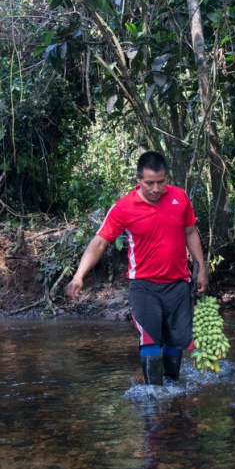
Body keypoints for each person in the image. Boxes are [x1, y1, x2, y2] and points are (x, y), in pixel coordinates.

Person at [66, 151, 208, 385]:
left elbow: (190, 232)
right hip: (144, 287)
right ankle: (155, 395)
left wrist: (201, 266)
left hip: (178, 283)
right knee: (150, 339)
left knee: (176, 341)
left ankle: (173, 392)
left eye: (161, 182)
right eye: (149, 183)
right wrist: (79, 276)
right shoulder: (123, 207)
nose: (155, 188)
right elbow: (100, 242)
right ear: (138, 179)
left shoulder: (179, 197)